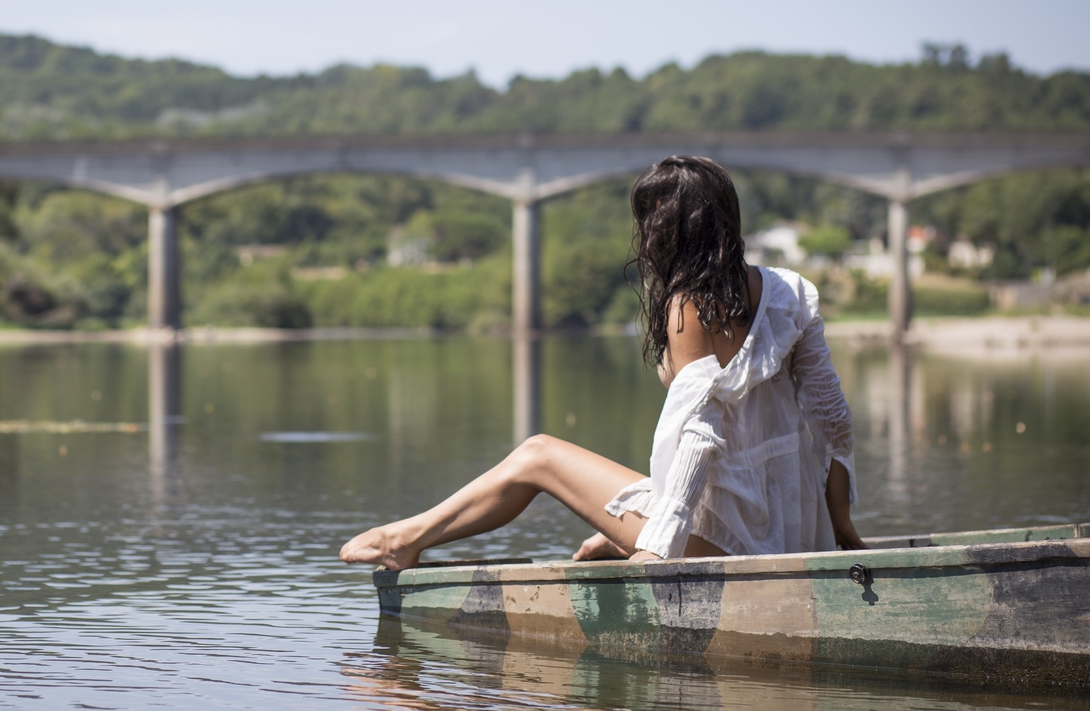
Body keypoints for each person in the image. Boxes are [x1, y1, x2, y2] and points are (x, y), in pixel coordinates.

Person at [340, 155, 866, 571]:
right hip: (795, 533)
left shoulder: (689, 306)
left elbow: (700, 438)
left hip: (729, 546)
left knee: (538, 455)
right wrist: (837, 526)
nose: (647, 234)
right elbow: (833, 420)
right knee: (603, 505)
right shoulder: (792, 291)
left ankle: (403, 540)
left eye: (653, 220)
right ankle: (618, 535)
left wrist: (657, 548)